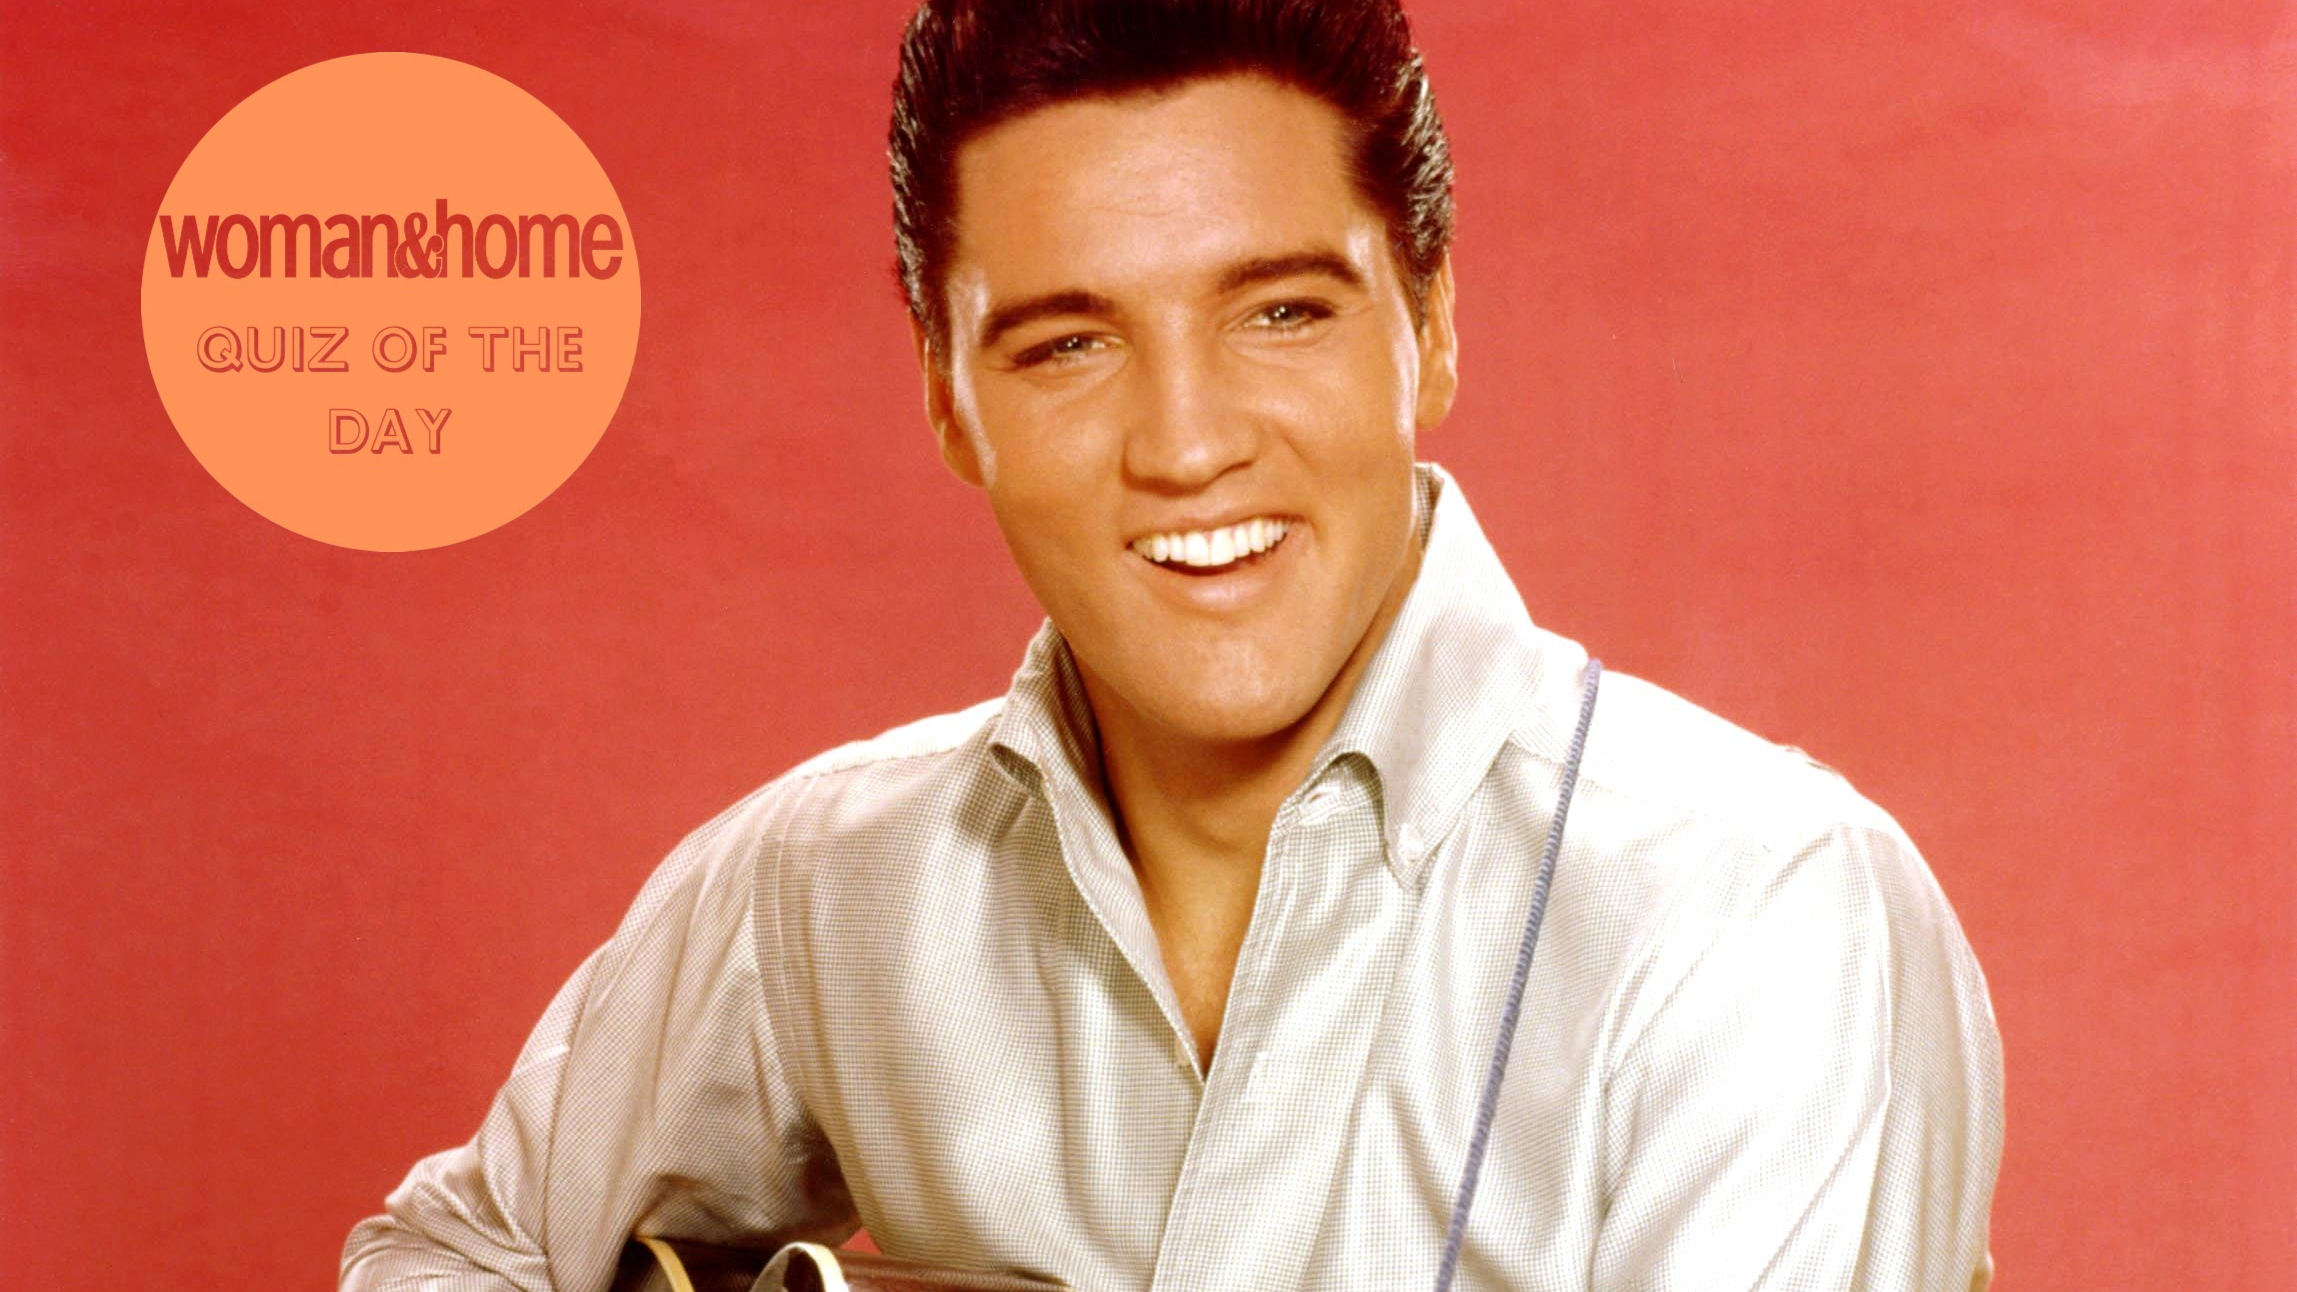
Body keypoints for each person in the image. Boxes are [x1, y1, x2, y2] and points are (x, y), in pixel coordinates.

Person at [341, 1, 2004, 1289]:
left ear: (1428, 322)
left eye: (1280, 311)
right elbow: (444, 1255)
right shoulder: (812, 892)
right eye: (1067, 345)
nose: (1186, 441)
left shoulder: (1758, 919)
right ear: (947, 400)